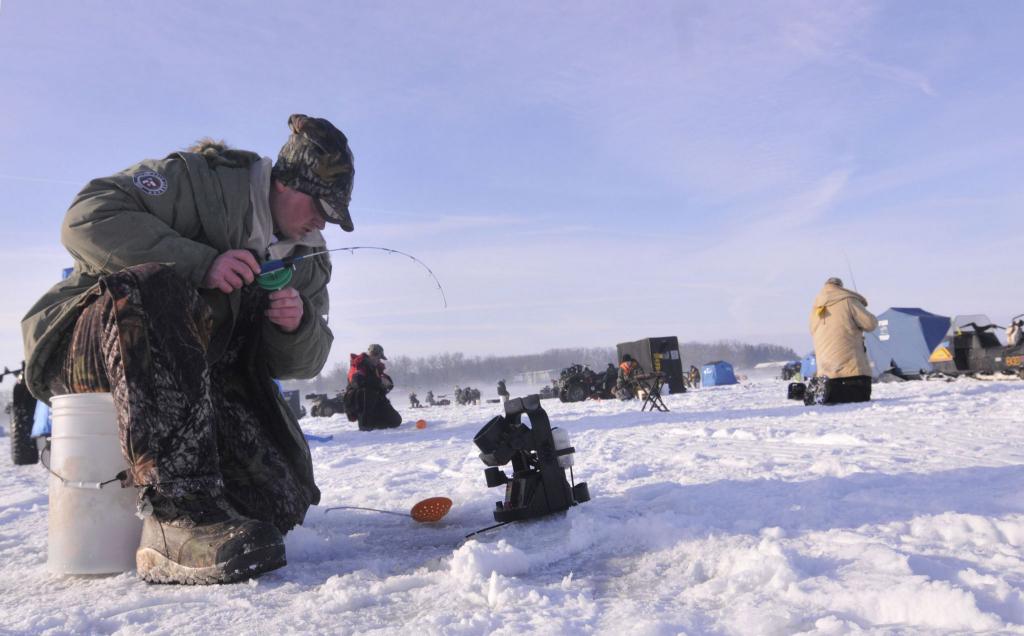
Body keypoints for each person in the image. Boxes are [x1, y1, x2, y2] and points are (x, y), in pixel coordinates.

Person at [20, 114, 354, 584]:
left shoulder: (308, 260)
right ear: (283, 184)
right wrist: (201, 263)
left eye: (334, 212)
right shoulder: (203, 183)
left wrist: (294, 326)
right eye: (320, 203)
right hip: (91, 345)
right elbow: (85, 218)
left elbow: (301, 363)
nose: (325, 219)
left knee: (279, 503)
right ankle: (176, 519)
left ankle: (204, 513)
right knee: (158, 286)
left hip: (190, 379)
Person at [807, 276, 879, 404]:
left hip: (825, 375)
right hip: (852, 374)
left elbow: (812, 331)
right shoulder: (848, 300)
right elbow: (870, 324)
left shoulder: (815, 308)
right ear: (840, 287)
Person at [344, 344, 402, 431]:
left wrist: (387, 383)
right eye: (378, 358)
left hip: (374, 400)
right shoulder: (358, 364)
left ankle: (373, 422)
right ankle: (365, 424)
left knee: (396, 421)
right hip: (357, 400)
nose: (379, 360)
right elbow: (357, 382)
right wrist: (379, 381)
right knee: (366, 391)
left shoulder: (376, 368)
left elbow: (384, 380)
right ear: (372, 355)